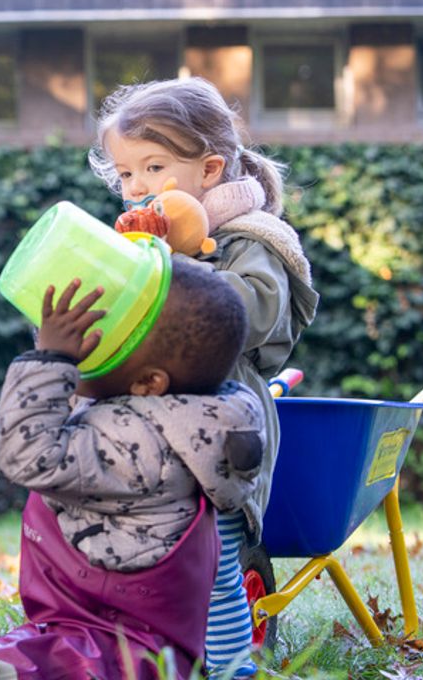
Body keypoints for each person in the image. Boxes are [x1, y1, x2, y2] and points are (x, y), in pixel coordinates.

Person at [88, 76, 319, 676]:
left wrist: (186, 261)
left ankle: (232, 663)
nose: (136, 187)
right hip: (160, 431)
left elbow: (255, 313)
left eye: (153, 167)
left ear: (210, 168)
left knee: (213, 558)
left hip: (223, 430)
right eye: (125, 174)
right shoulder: (147, 244)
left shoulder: (253, 240)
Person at [0, 262, 267, 680]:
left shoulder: (136, 442)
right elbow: (84, 408)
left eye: (108, 339)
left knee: (28, 667)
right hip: (110, 628)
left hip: (116, 643)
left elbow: (27, 453)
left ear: (149, 383)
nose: (88, 346)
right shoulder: (183, 419)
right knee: (17, 655)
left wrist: (51, 360)